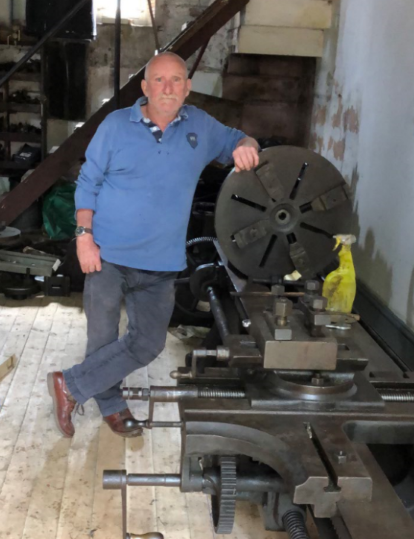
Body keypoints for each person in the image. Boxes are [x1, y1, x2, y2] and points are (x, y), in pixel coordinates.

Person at [47, 51, 260, 438]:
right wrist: (84, 239)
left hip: (161, 263)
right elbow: (87, 183)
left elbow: (238, 140)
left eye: (176, 80)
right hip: (108, 255)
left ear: (187, 88)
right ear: (144, 87)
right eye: (158, 80)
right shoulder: (115, 125)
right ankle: (111, 407)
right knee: (103, 340)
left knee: (147, 344)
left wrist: (248, 146)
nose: (167, 87)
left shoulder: (201, 126)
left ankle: (69, 384)